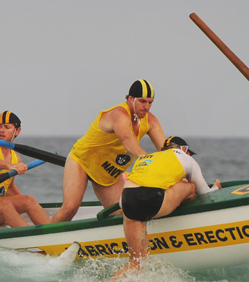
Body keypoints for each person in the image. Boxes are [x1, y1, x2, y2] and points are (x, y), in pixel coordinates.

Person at [88, 135, 221, 282]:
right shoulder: (186, 158)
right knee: (189, 186)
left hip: (127, 201)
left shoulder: (145, 159)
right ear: (184, 149)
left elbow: (121, 200)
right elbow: (205, 194)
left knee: (135, 262)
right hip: (154, 201)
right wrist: (216, 187)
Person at [50, 80, 167, 223]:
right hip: (82, 161)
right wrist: (146, 158)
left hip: (107, 174)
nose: (147, 107)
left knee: (125, 215)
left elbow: (166, 150)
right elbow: (126, 138)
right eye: (142, 101)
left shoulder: (151, 121)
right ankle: (43, 241)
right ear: (131, 99)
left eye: (150, 102)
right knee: (70, 208)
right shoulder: (119, 114)